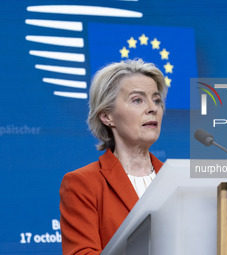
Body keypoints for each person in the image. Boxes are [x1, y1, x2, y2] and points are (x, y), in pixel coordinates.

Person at [59, 59, 167, 255]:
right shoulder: (83, 183)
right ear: (107, 116)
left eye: (156, 99)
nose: (153, 108)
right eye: (137, 100)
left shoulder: (173, 179)